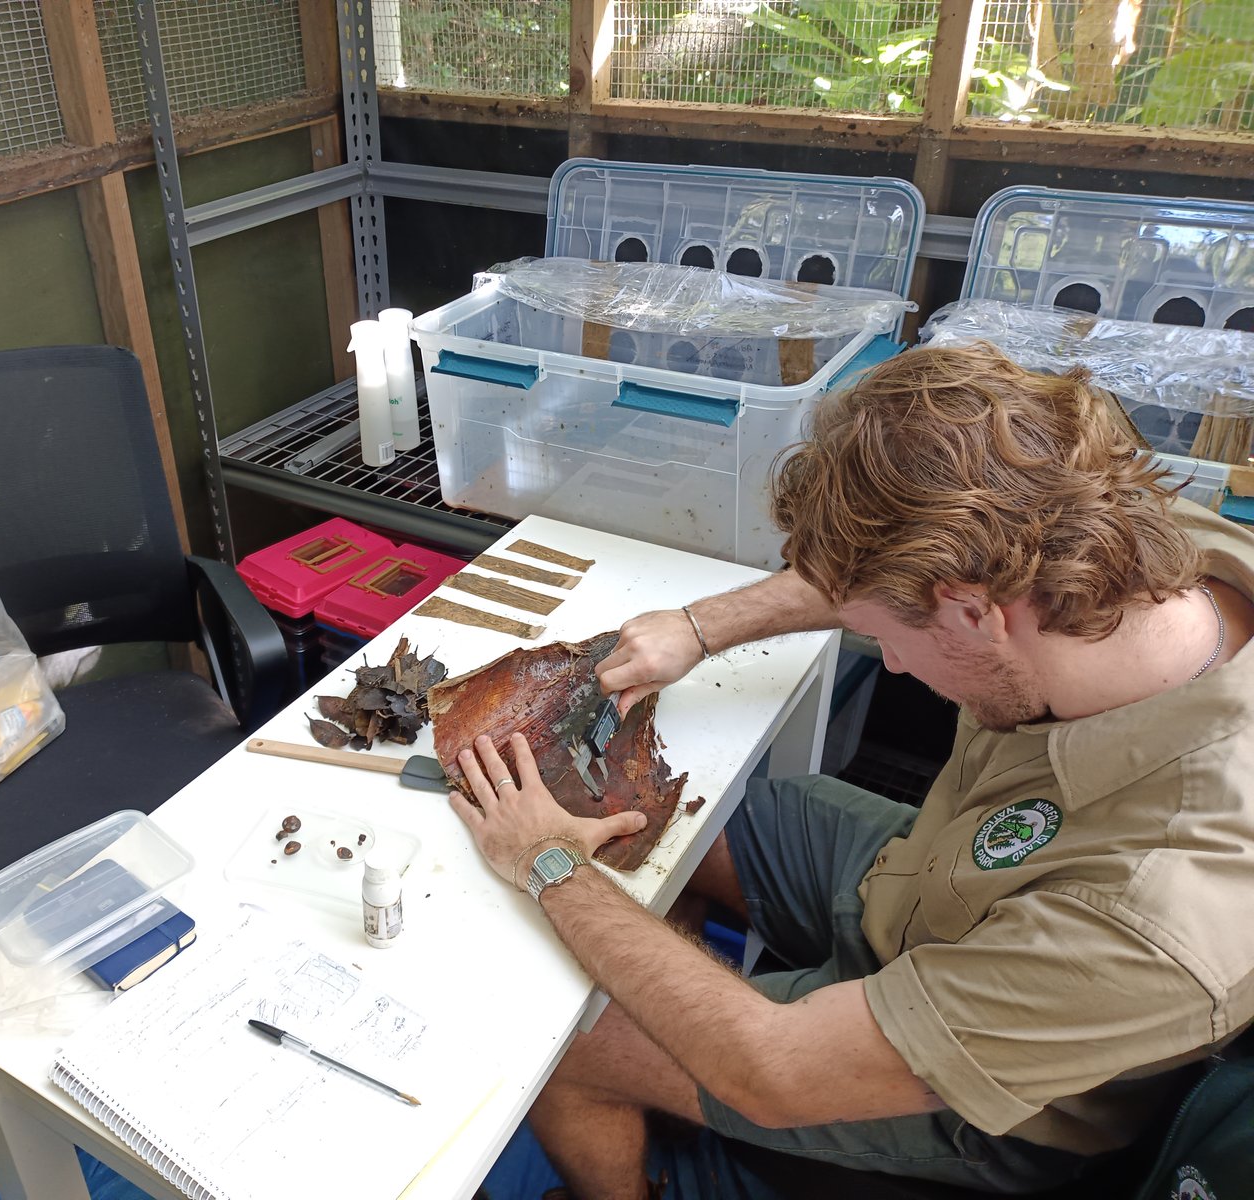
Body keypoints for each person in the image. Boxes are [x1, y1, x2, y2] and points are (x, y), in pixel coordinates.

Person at [447, 344, 1254, 1198]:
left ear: (975, 615)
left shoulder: (1163, 903)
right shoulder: (1126, 542)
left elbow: (775, 1071)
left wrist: (550, 864)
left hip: (994, 1101)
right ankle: (689, 1029)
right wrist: (702, 625)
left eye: (895, 645)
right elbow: (897, 569)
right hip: (930, 882)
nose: (895, 668)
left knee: (568, 1044)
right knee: (692, 817)